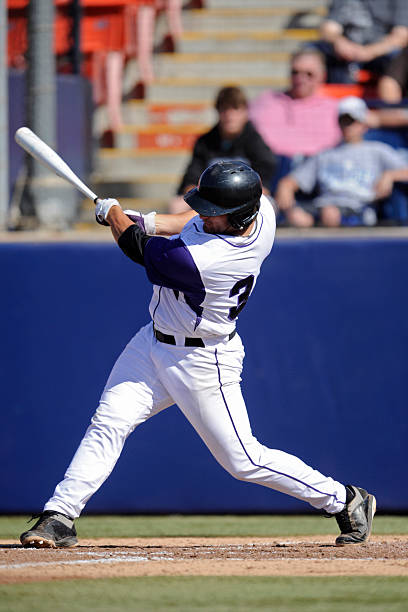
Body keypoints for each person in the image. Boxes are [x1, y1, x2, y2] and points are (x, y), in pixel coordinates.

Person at [20, 161, 376, 549]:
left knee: (243, 460)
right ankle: (60, 515)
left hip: (203, 361)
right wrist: (139, 217)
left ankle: (344, 499)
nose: (205, 216)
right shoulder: (262, 210)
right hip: (152, 344)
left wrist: (117, 216)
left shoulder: (207, 261)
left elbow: (138, 248)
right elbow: (187, 221)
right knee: (109, 421)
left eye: (214, 212)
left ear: (238, 217)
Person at [274, 97, 408, 228]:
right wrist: (286, 189)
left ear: (363, 124)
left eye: (352, 121)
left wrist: (390, 175)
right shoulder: (325, 154)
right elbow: (290, 182)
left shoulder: (377, 150)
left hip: (359, 209)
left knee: (329, 214)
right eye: (344, 121)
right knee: (290, 217)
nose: (347, 126)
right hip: (322, 208)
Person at [169, 86, 277, 213]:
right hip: (212, 201)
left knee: (267, 206)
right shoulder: (205, 142)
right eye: (224, 109)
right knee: (177, 206)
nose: (229, 115)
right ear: (218, 111)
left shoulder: (255, 141)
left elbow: (265, 182)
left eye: (235, 109)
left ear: (245, 112)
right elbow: (191, 181)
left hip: (246, 200)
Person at [249, 49, 341, 158]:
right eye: (295, 72)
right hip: (272, 164)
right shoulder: (266, 101)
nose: (300, 79)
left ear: (323, 76)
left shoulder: (335, 109)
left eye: (309, 74)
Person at [318, 0, 408, 84]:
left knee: (398, 58)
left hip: (381, 53)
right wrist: (339, 42)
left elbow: (401, 35)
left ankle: (391, 100)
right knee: (314, 52)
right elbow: (329, 28)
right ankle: (337, 97)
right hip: (348, 53)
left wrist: (368, 52)